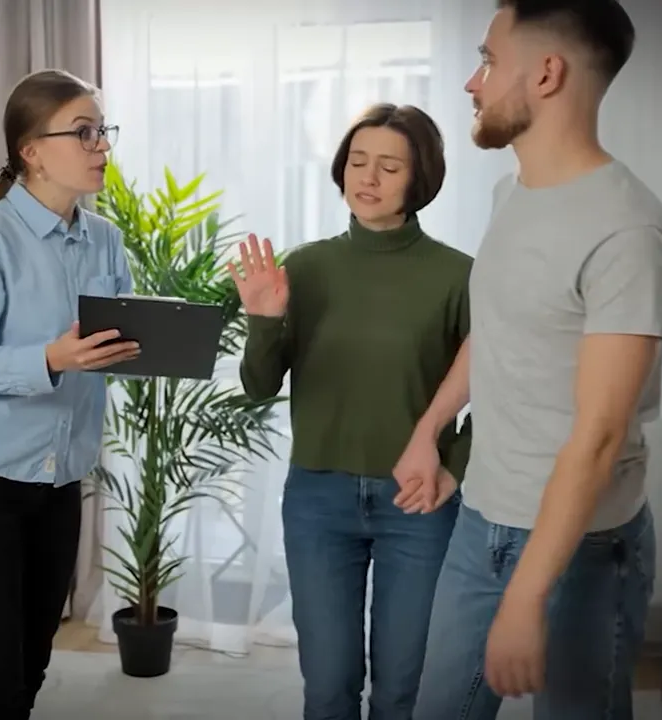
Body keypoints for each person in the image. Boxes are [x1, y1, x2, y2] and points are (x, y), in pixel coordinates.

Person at [400, 2, 662, 719]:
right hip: (480, 519)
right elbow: (494, 333)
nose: (472, 81)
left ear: (548, 73)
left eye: (489, 60)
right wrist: (429, 429)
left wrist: (528, 594)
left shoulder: (628, 229)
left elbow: (598, 438)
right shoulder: (511, 193)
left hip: (584, 547)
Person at [229, 103, 473, 720]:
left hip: (416, 503)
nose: (367, 178)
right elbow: (259, 387)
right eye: (357, 162)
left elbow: (497, 387)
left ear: (419, 181)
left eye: (389, 167)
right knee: (329, 686)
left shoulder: (458, 276)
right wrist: (263, 320)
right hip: (317, 499)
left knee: (401, 688)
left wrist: (456, 466)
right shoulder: (306, 267)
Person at [0, 68, 138, 720]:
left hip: (57, 490)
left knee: (29, 670)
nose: (101, 146)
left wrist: (151, 347)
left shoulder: (106, 240)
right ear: (31, 151)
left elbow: (117, 347)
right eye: (84, 132)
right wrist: (50, 358)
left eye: (103, 131)